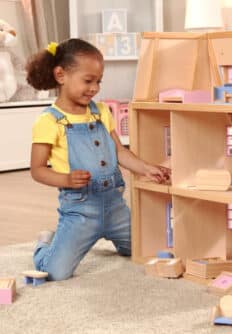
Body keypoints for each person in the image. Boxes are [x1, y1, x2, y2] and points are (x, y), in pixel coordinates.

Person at [26, 38, 170, 281]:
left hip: (115, 207)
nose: (94, 88)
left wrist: (146, 168)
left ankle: (117, 237)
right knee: (55, 272)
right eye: (88, 81)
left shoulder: (101, 111)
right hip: (81, 211)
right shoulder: (49, 121)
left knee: (146, 250)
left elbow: (119, 152)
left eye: (98, 81)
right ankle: (45, 245)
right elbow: (37, 170)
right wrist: (66, 179)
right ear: (61, 75)